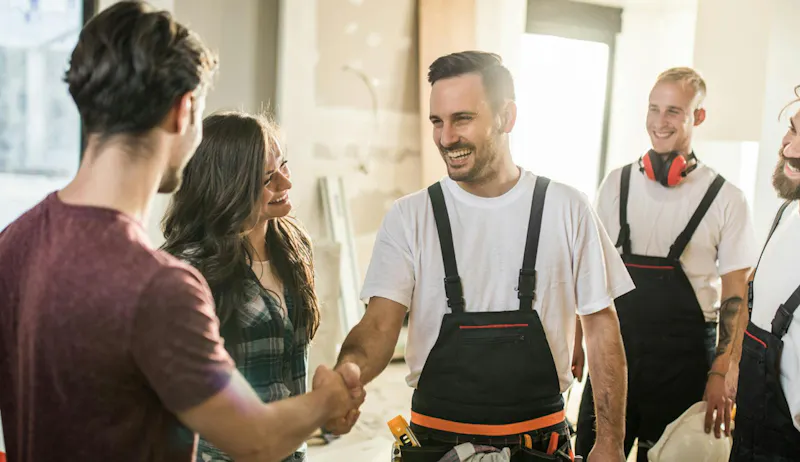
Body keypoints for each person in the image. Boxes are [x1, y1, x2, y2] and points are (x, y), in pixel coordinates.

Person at [0, 3, 363, 462]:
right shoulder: (162, 286)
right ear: (183, 110)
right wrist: (327, 400)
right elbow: (256, 440)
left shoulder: (13, 241)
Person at [326, 50, 634, 461]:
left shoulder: (567, 208)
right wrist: (349, 371)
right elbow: (379, 325)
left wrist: (610, 441)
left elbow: (600, 326)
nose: (446, 137)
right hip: (436, 446)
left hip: (541, 445)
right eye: (437, 121)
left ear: (507, 117)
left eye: (462, 119)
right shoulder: (410, 216)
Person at [574, 67, 757, 461]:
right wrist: (574, 337)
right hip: (614, 357)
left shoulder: (726, 198)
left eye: (674, 111)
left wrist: (721, 372)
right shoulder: (616, 184)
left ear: (699, 116)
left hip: (686, 363)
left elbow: (736, 294)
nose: (660, 122)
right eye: (654, 109)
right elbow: (589, 272)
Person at [160, 111, 323, 462]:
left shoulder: (294, 247)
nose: (286, 183)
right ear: (228, 187)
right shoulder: (186, 270)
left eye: (284, 166)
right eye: (267, 178)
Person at [727, 86, 800, 462]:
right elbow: (753, 291)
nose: (788, 147)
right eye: (792, 129)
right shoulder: (786, 214)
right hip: (753, 433)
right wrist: (734, 363)